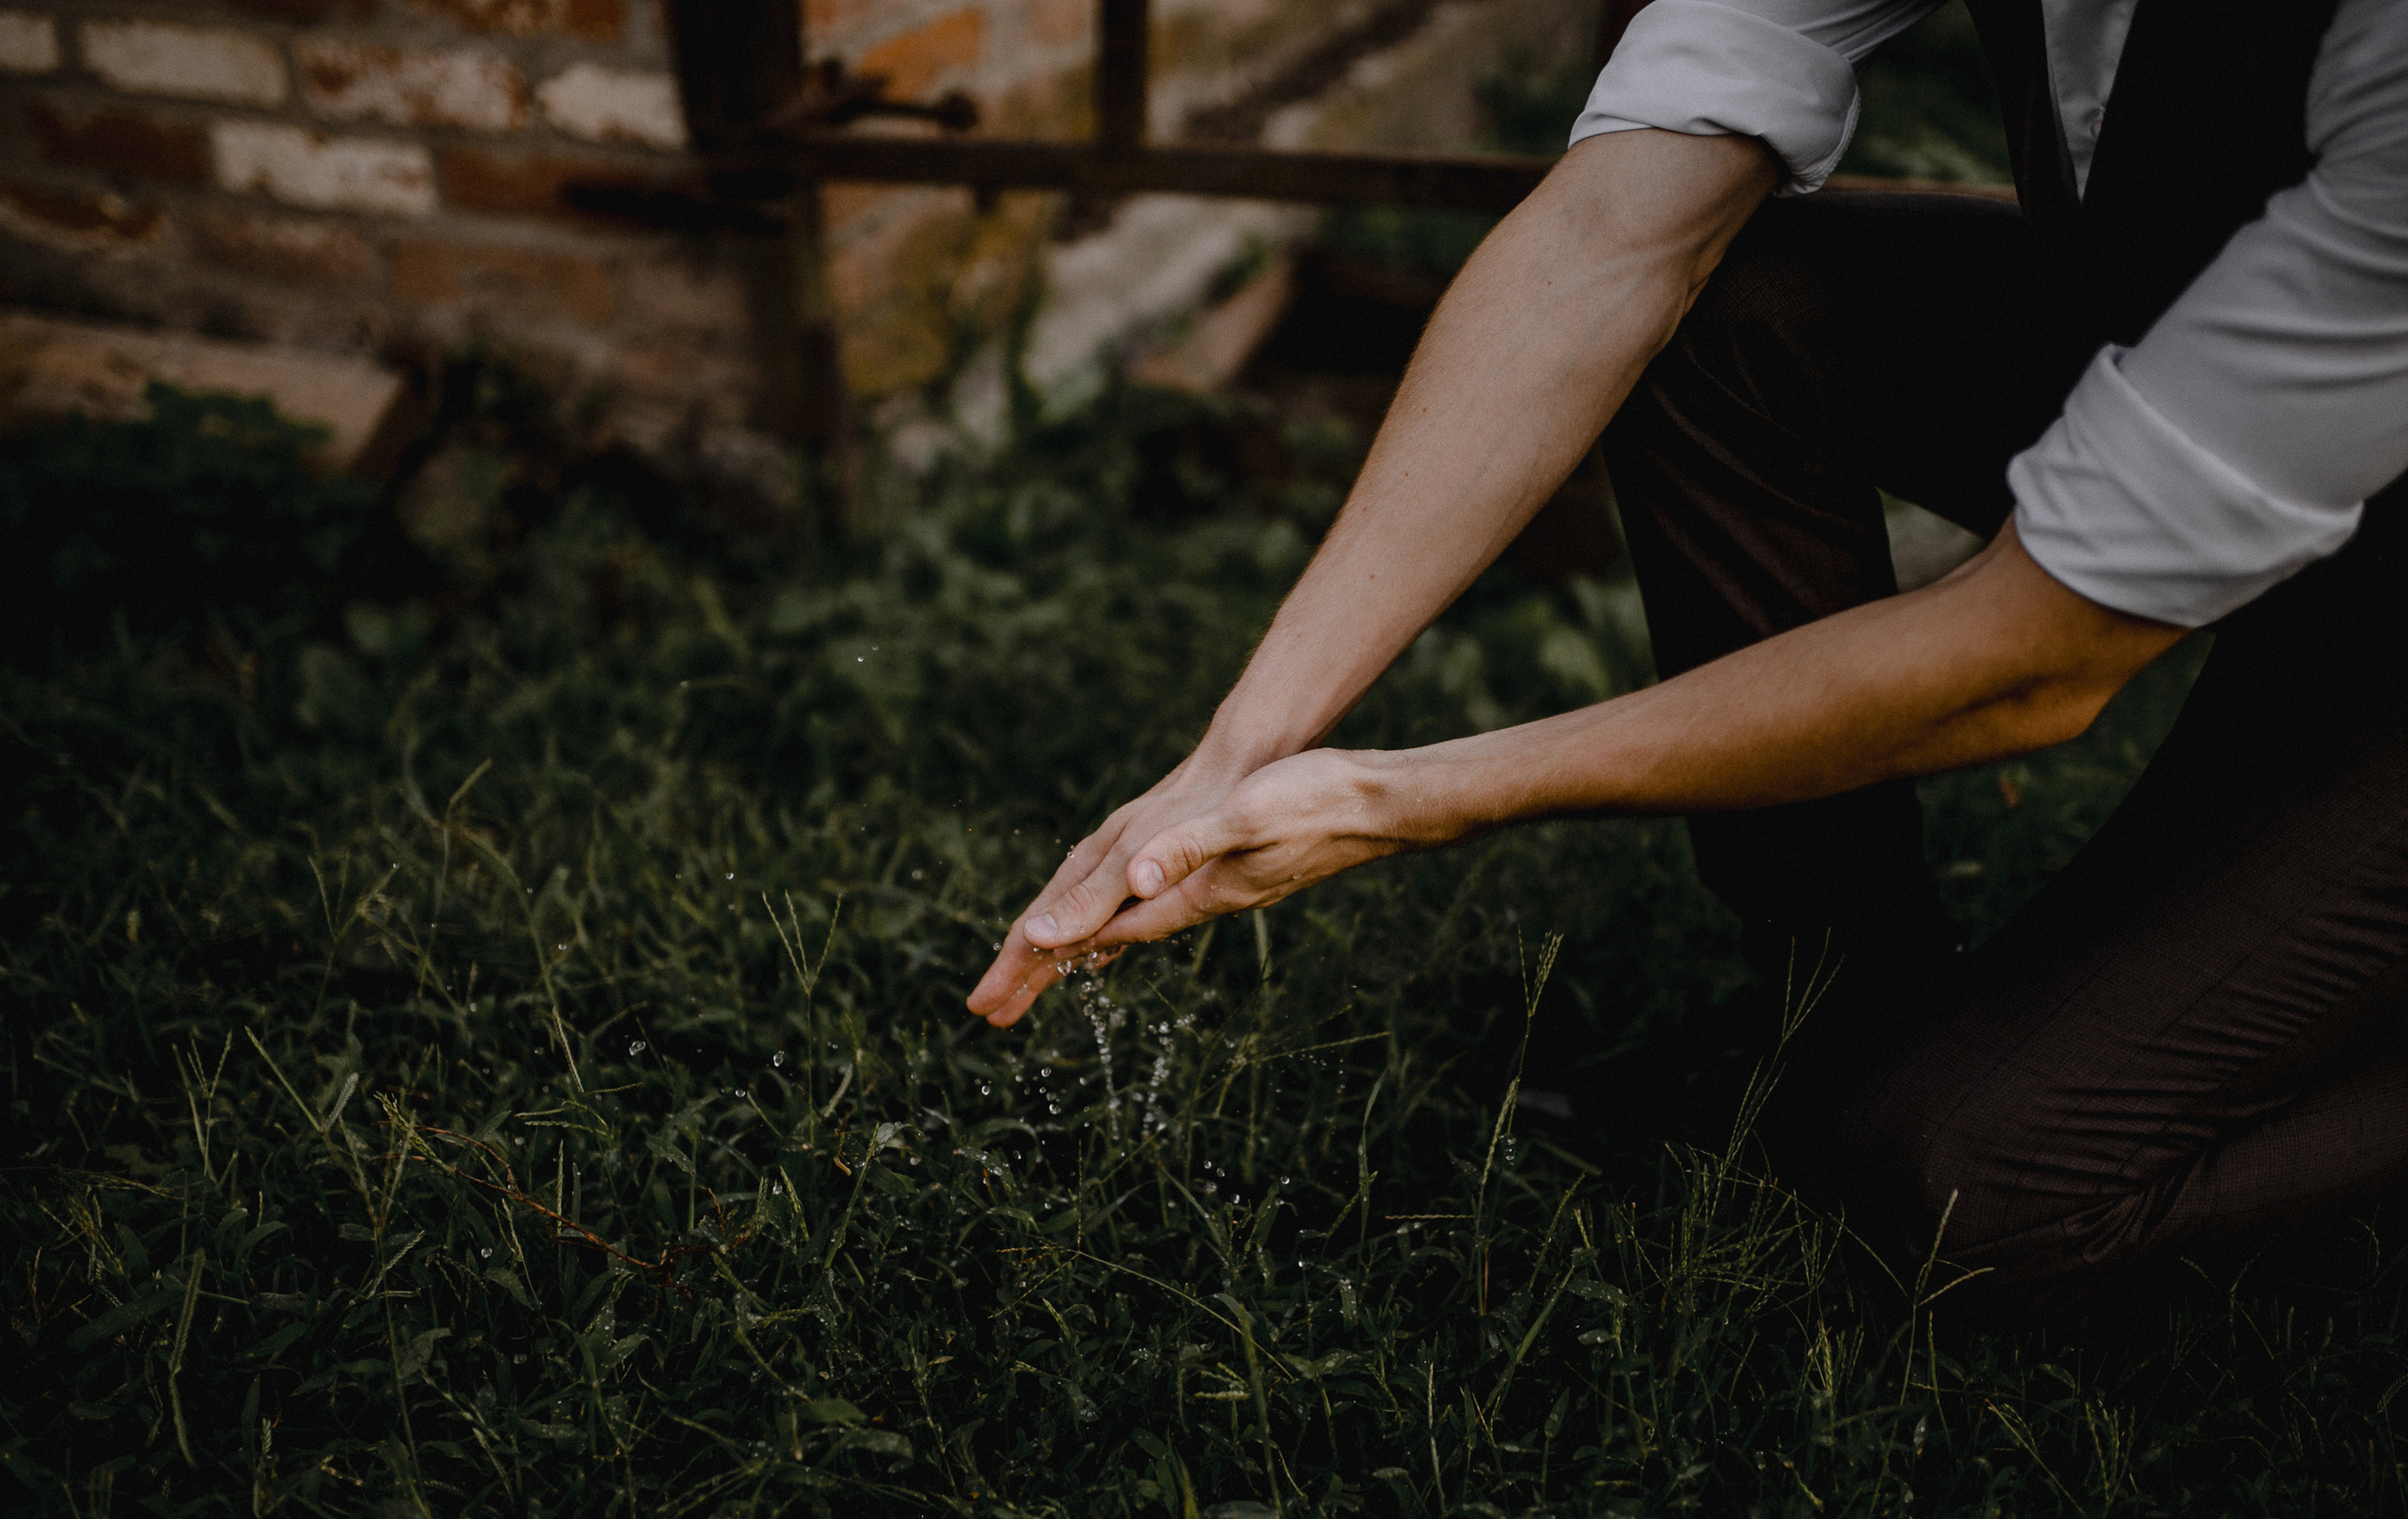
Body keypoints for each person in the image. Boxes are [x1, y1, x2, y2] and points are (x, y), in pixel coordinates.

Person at [967, 0, 2408, 1321]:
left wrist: (1398, 796)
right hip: (2264, 409)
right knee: (1730, 311)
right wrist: (1243, 747)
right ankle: (1830, 1019)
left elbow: (2037, 657)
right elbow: (1611, 244)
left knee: (1973, 1186)